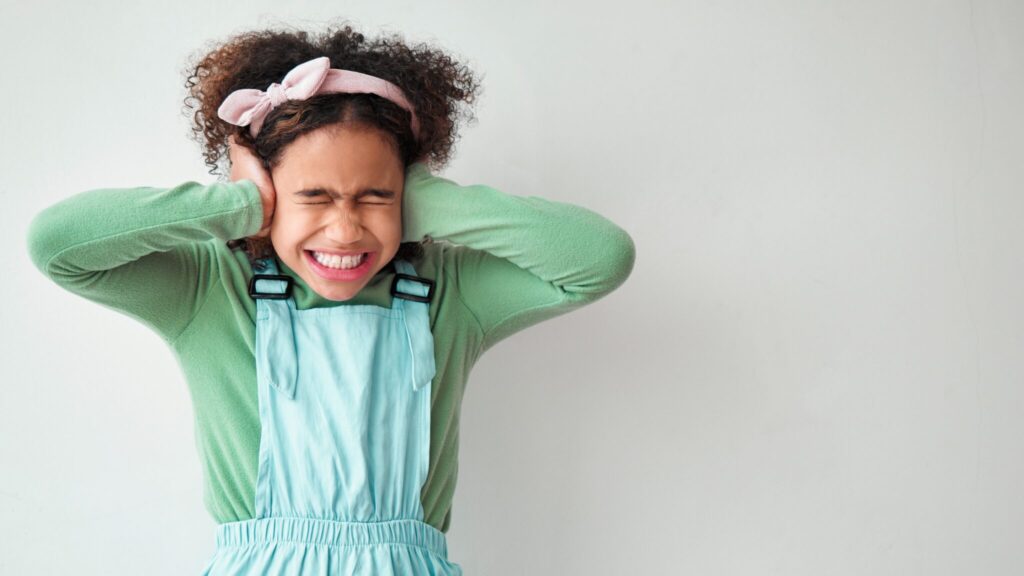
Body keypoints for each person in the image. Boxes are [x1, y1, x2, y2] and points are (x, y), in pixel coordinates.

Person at [25, 21, 636, 575]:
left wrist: (421, 198)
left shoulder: (450, 295)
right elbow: (58, 244)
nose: (345, 230)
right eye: (313, 196)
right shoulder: (209, 292)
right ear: (268, 194)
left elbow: (599, 259)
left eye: (374, 197)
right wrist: (240, 205)